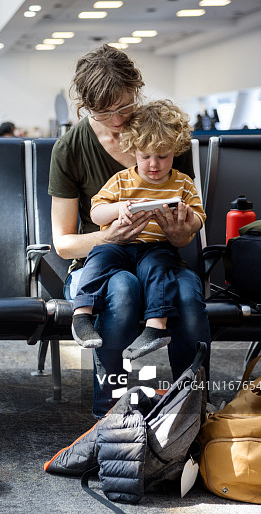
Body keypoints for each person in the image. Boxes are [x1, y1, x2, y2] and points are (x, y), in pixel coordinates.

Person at [48, 44, 210, 418]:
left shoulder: (165, 138)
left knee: (188, 296)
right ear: (85, 107)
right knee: (122, 289)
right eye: (104, 112)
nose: (118, 119)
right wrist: (110, 236)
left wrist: (179, 232)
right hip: (101, 261)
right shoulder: (70, 149)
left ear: (137, 90)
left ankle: (192, 408)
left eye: (125, 106)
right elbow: (64, 244)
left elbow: (187, 229)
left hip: (160, 257)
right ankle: (111, 411)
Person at [70, 100, 206, 362]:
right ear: (133, 151)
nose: (154, 164)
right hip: (119, 245)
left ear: (175, 151)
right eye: (145, 156)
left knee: (158, 267)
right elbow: (96, 212)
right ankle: (82, 315)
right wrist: (119, 208)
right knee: (99, 256)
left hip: (156, 247)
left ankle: (156, 327)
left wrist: (187, 221)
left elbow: (199, 217)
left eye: (162, 156)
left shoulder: (183, 183)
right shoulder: (122, 181)